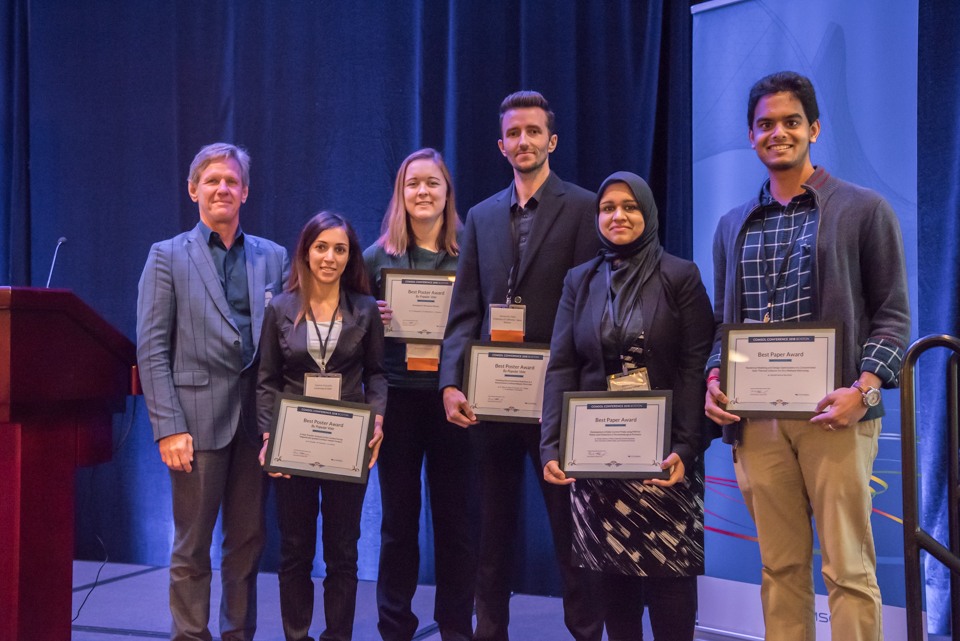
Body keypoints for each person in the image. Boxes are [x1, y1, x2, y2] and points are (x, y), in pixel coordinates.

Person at [703, 71, 910, 641]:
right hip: (758, 423)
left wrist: (863, 392)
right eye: (765, 124)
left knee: (847, 569)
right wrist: (715, 377)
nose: (778, 132)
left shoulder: (864, 210)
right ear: (751, 136)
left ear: (814, 128)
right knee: (780, 568)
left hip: (834, 414)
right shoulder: (731, 227)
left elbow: (892, 316)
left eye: (791, 121)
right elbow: (725, 326)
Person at [439, 90, 603, 641]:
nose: (524, 141)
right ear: (501, 145)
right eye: (514, 133)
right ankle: (491, 633)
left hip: (558, 403)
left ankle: (585, 631)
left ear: (551, 141)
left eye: (534, 131)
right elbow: (464, 311)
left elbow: (592, 307)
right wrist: (450, 384)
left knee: (570, 532)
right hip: (490, 402)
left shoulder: (584, 208)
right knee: (492, 534)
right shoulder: (481, 217)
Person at [540, 172, 714, 641]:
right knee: (612, 578)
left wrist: (686, 446)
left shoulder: (680, 275)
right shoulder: (580, 280)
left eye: (630, 206)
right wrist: (551, 446)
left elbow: (695, 367)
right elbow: (561, 366)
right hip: (598, 455)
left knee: (669, 578)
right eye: (608, 207)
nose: (618, 215)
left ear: (648, 214)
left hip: (666, 459)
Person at [136, 142, 290, 641]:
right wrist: (168, 428)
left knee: (247, 544)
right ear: (193, 190)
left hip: (258, 425)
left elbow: (293, 335)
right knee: (191, 548)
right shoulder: (166, 256)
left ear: (245, 191)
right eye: (211, 180)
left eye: (230, 180)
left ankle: (238, 635)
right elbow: (152, 350)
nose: (221, 188)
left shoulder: (275, 256)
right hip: (194, 426)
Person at [257, 211, 387, 641]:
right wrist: (267, 436)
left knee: (343, 553)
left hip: (347, 443)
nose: (330, 257)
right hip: (292, 443)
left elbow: (378, 374)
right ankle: (297, 635)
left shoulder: (366, 309)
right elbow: (267, 380)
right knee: (294, 550)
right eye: (321, 247)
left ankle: (337, 636)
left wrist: (379, 418)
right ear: (306, 251)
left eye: (340, 249)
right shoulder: (279, 307)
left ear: (350, 257)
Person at [363, 148, 475, 641]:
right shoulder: (374, 256)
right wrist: (372, 321)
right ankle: (394, 627)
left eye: (432, 183)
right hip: (399, 404)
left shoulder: (473, 251)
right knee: (397, 524)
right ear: (400, 194)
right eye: (413, 184)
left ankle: (455, 626)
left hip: (454, 400)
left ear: (447, 192)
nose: (422, 192)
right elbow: (348, 329)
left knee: (455, 523)